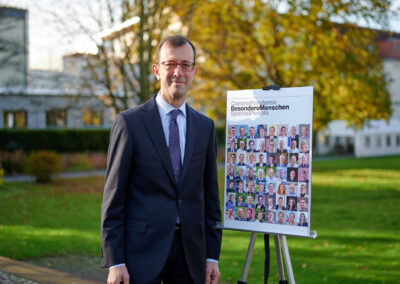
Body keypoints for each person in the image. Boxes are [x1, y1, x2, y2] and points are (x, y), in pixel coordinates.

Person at [101, 36, 222, 284]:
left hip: (191, 255)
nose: (178, 72)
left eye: (185, 65)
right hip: (141, 255)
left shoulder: (205, 127)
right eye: (170, 64)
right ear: (157, 70)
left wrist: (212, 256)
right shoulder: (130, 123)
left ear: (194, 71)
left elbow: (210, 198)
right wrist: (115, 261)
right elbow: (114, 198)